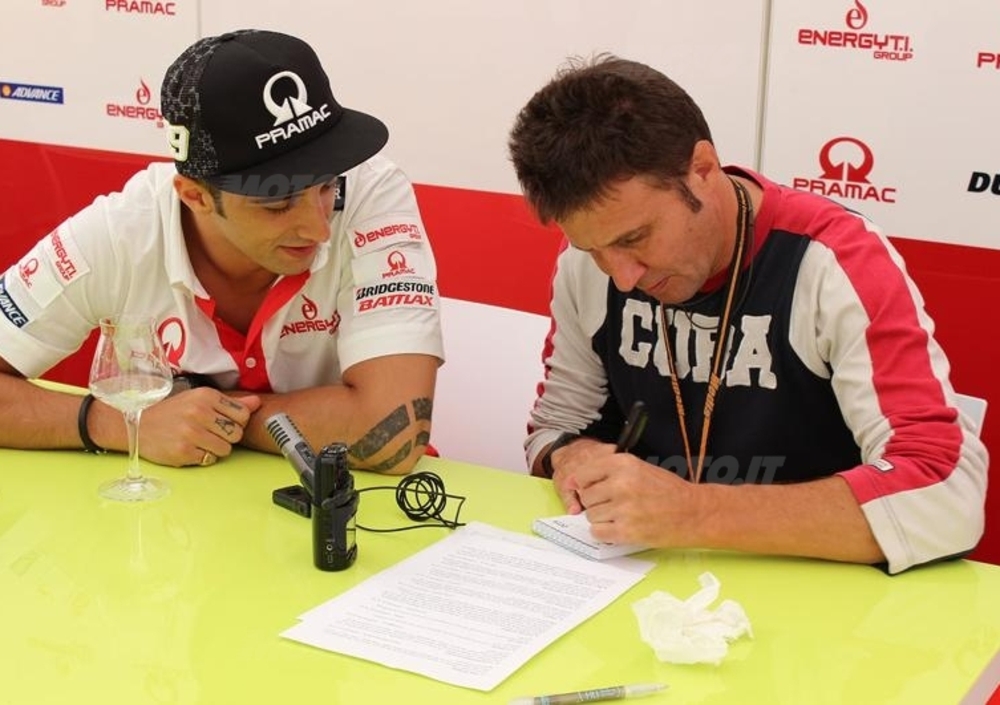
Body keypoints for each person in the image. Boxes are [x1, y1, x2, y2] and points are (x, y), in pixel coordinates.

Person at [507, 54, 987, 574]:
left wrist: (693, 512)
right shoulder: (587, 266)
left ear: (702, 169)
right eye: (593, 248)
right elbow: (555, 426)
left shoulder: (831, 259)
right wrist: (572, 455)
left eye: (635, 238)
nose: (622, 276)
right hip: (643, 578)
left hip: (820, 589)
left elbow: (944, 494)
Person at [0, 29, 443, 474]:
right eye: (277, 203)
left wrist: (202, 413)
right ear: (194, 196)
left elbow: (394, 435)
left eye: (328, 187)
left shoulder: (372, 192)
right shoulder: (120, 232)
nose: (319, 227)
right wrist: (119, 423)